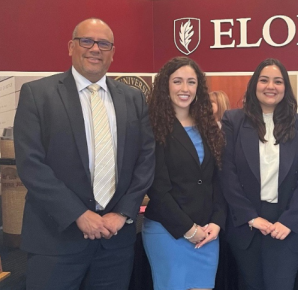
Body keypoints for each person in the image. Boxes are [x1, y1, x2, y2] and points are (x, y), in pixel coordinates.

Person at [13, 18, 155, 290]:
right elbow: (30, 164)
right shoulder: (37, 94)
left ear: (113, 53)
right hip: (55, 239)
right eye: (86, 41)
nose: (95, 49)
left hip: (115, 241)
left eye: (104, 44)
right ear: (71, 47)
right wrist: (78, 214)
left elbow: (146, 159)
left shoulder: (133, 98)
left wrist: (123, 213)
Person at [219, 58, 298, 290]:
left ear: (286, 87)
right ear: (254, 85)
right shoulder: (233, 120)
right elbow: (227, 174)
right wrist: (251, 217)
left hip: (286, 226)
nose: (270, 86)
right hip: (247, 224)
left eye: (278, 81)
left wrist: (289, 221)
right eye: (264, 80)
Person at [142, 56, 226, 290]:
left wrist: (216, 223)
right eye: (177, 81)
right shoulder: (152, 126)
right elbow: (157, 188)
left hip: (208, 234)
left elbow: (218, 180)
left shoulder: (208, 126)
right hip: (168, 232)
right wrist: (188, 230)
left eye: (191, 82)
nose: (184, 88)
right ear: (165, 86)